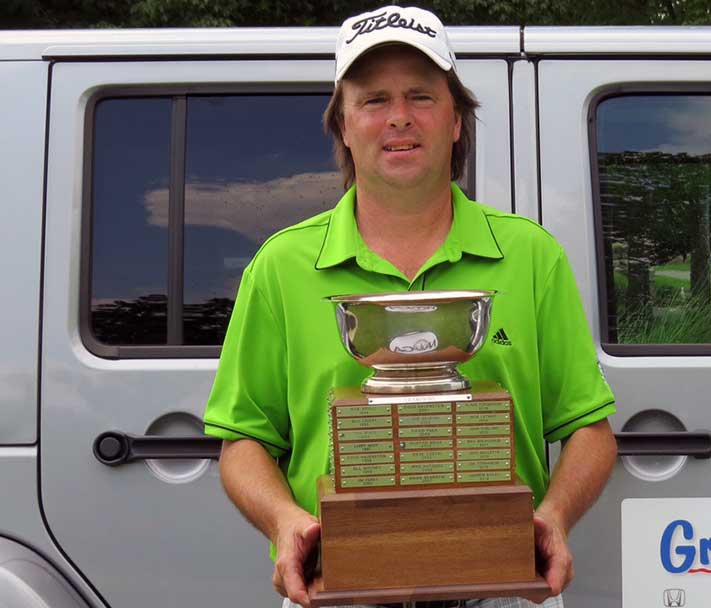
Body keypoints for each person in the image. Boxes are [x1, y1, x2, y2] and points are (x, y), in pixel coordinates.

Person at [202, 6, 618, 608]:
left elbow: (590, 429)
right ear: (343, 125)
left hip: (499, 588)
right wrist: (284, 523)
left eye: (421, 96)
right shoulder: (280, 266)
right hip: (338, 589)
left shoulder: (530, 255)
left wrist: (553, 516)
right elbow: (242, 443)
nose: (399, 117)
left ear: (455, 119)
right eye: (373, 100)